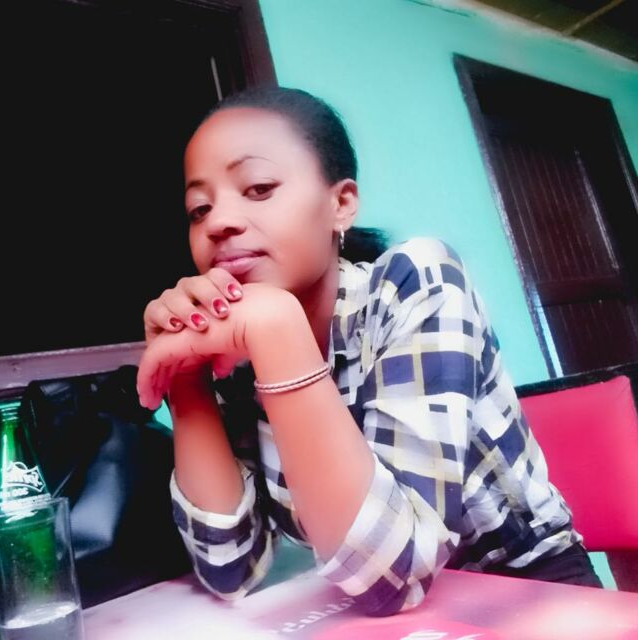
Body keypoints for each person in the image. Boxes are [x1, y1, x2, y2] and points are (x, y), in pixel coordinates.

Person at [135, 86, 602, 617]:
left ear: (341, 204)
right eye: (199, 209)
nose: (219, 222)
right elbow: (230, 568)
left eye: (258, 188)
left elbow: (394, 578)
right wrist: (186, 379)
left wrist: (278, 333)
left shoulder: (413, 284)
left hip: (535, 594)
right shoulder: (235, 351)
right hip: (385, 619)